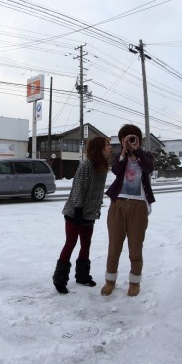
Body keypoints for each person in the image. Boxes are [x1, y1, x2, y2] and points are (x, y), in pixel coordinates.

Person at [52, 136, 112, 294]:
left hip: (90, 213)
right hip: (75, 212)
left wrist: (96, 207)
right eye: (107, 144)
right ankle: (59, 279)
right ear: (99, 148)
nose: (110, 147)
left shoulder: (103, 166)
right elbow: (78, 187)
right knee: (71, 243)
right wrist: (78, 209)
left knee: (86, 244)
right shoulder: (86, 165)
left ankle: (82, 275)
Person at [100, 124, 155, 297]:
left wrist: (137, 151)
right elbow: (116, 170)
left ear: (138, 139)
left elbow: (148, 168)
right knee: (114, 247)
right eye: (126, 138)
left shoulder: (146, 156)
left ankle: (134, 282)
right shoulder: (119, 157)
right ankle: (110, 281)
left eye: (132, 137)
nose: (129, 140)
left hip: (138, 206)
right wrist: (124, 151)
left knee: (135, 248)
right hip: (118, 204)